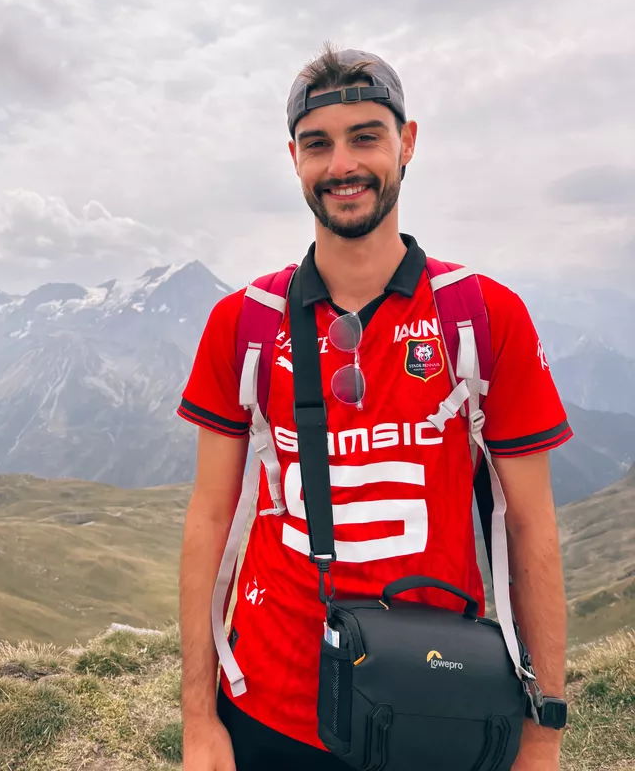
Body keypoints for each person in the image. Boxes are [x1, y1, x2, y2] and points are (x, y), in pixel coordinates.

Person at [178, 44, 572, 770]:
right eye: (317, 144)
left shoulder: (483, 317)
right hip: (267, 705)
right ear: (293, 159)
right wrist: (199, 721)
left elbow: (531, 527)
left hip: (440, 697)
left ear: (407, 143)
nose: (341, 165)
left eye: (366, 137)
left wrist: (542, 735)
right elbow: (208, 518)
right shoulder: (245, 322)